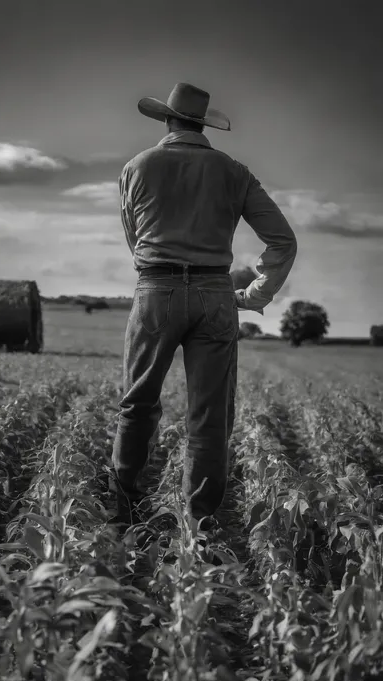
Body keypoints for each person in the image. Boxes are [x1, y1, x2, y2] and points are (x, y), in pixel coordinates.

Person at [110, 82, 297, 535]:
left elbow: (134, 237)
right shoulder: (234, 171)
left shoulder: (137, 167)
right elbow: (283, 240)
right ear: (202, 123)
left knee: (137, 404)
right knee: (210, 420)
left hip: (156, 289)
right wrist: (252, 296)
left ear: (167, 120)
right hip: (216, 296)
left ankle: (125, 512)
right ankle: (200, 525)